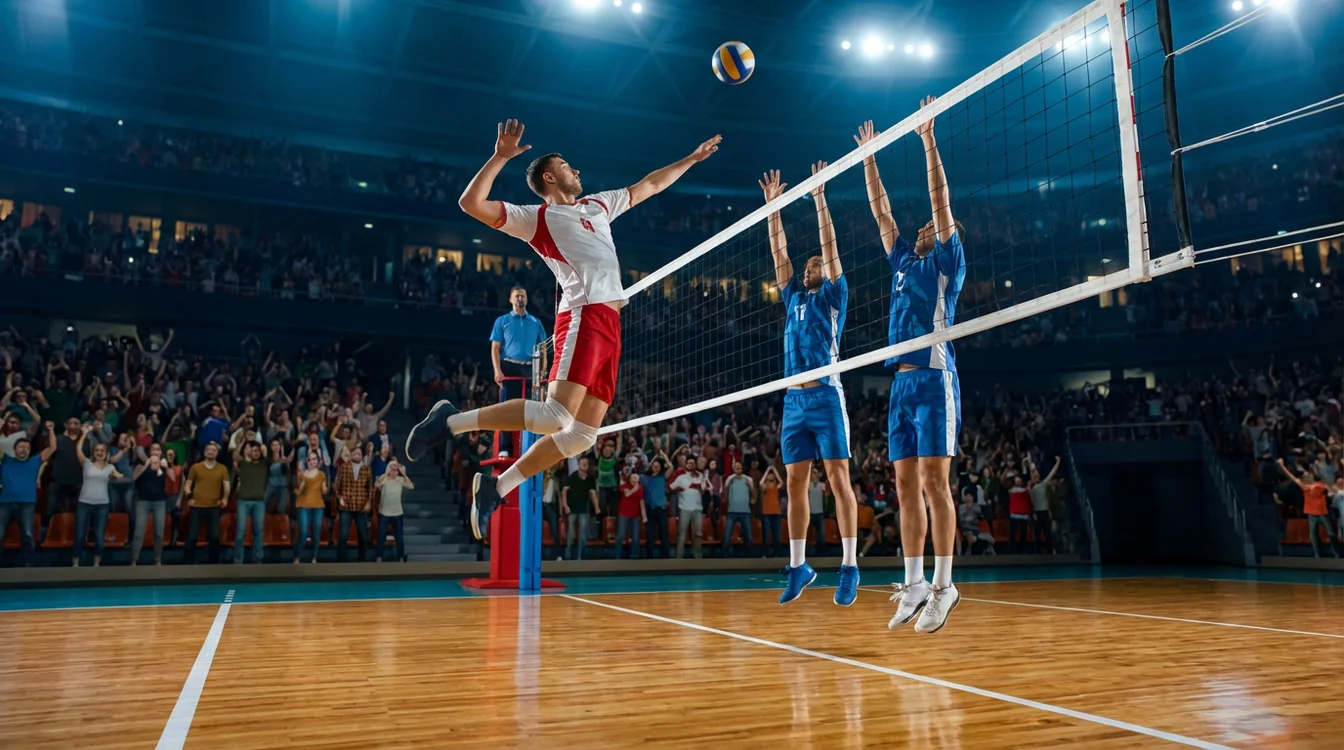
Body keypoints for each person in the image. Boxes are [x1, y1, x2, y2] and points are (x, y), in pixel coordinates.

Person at [405, 119, 722, 541]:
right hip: (583, 314)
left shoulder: (599, 204)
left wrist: (692, 159)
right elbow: (470, 203)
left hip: (611, 322)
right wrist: (500, 157)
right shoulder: (537, 218)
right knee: (555, 416)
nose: (577, 170)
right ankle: (451, 421)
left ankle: (497, 488)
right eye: (567, 166)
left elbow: (650, 185)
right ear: (550, 178)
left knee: (582, 436)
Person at [860, 97, 968, 634]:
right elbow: (882, 213)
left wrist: (928, 140)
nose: (925, 226)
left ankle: (946, 586)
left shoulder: (947, 261)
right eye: (923, 226)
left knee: (933, 482)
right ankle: (916, 583)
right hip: (900, 385)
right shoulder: (904, 260)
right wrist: (868, 159)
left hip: (934, 378)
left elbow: (940, 199)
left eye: (933, 226)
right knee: (904, 485)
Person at [760, 163, 861, 605]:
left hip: (826, 396)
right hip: (793, 402)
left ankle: (849, 566)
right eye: (807, 266)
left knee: (839, 479)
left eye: (815, 265)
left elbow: (831, 247)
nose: (808, 269)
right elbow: (779, 254)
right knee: (794, 484)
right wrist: (773, 209)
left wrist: (820, 199)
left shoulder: (834, 296)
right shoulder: (794, 297)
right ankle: (799, 566)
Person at [0, 427, 57, 567]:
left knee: (28, 535)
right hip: (5, 503)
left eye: (26, 447)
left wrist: (51, 430)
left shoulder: (35, 461)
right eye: (20, 446)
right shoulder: (6, 460)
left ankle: (29, 566)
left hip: (27, 504)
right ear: (14, 449)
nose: (23, 449)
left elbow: (53, 448)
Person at [74, 425, 122, 567]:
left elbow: (119, 476)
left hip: (102, 505)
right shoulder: (87, 464)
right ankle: (75, 564)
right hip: (84, 503)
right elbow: (78, 449)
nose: (99, 453)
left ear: (106, 453)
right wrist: (84, 434)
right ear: (93, 452)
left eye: (102, 451)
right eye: (97, 450)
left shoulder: (110, 468)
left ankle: (96, 565)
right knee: (79, 535)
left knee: (99, 538)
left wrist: (118, 475)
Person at [489, 286, 548, 403]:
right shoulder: (501, 321)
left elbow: (543, 349)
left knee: (530, 405)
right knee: (507, 406)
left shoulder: (536, 322)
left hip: (530, 369)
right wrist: (497, 370)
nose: (520, 298)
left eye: (523, 296)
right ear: (510, 299)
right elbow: (495, 348)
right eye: (517, 296)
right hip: (509, 367)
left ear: (526, 299)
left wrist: (543, 369)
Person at [183, 442, 231, 564]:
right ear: (204, 452)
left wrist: (225, 498)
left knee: (214, 537)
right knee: (192, 536)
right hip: (197, 506)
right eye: (208, 449)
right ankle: (187, 564)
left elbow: (226, 487)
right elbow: (187, 486)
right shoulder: (195, 467)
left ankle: (213, 564)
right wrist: (190, 497)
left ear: (217, 453)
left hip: (214, 507)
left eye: (213, 450)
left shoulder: (222, 468)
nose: (210, 452)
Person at [130, 447, 170, 566]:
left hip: (160, 502)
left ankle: (158, 560)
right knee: (138, 533)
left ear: (160, 453)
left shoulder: (163, 466)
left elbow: (173, 479)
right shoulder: (140, 465)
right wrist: (146, 464)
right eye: (153, 450)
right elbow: (134, 477)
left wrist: (167, 467)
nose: (155, 452)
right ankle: (134, 560)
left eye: (158, 450)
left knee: (159, 533)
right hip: (143, 502)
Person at [233, 440, 269, 564]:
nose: (255, 453)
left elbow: (270, 455)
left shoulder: (264, 464)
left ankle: (258, 560)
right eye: (253, 451)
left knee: (259, 531)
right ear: (248, 452)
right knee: (240, 532)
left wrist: (263, 448)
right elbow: (235, 455)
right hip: (243, 502)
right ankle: (238, 561)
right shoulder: (243, 463)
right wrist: (243, 443)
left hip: (259, 502)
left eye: (257, 451)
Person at [374, 459, 414, 563]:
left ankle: (401, 558)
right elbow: (377, 484)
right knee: (381, 536)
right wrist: (386, 473)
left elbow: (411, 486)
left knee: (399, 537)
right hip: (384, 513)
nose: (393, 471)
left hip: (397, 513)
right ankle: (379, 557)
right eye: (391, 469)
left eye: (395, 469)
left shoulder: (400, 480)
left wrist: (404, 474)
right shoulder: (385, 479)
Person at [294, 452, 328, 564]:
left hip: (318, 506)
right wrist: (302, 482)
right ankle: (297, 558)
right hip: (303, 505)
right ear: (306, 461)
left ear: (318, 461)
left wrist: (325, 489)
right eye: (309, 460)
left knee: (316, 534)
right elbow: (297, 492)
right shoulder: (301, 474)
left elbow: (324, 490)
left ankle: (314, 559)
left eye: (314, 459)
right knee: (303, 533)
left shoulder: (322, 475)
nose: (311, 462)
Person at [614, 466, 645, 560]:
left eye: (636, 478)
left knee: (635, 537)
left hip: (635, 515)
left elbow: (641, 502)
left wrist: (644, 516)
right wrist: (635, 488)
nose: (634, 480)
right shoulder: (624, 486)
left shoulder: (640, 489)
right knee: (620, 536)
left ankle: (634, 557)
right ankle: (617, 557)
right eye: (632, 478)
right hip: (623, 514)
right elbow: (627, 494)